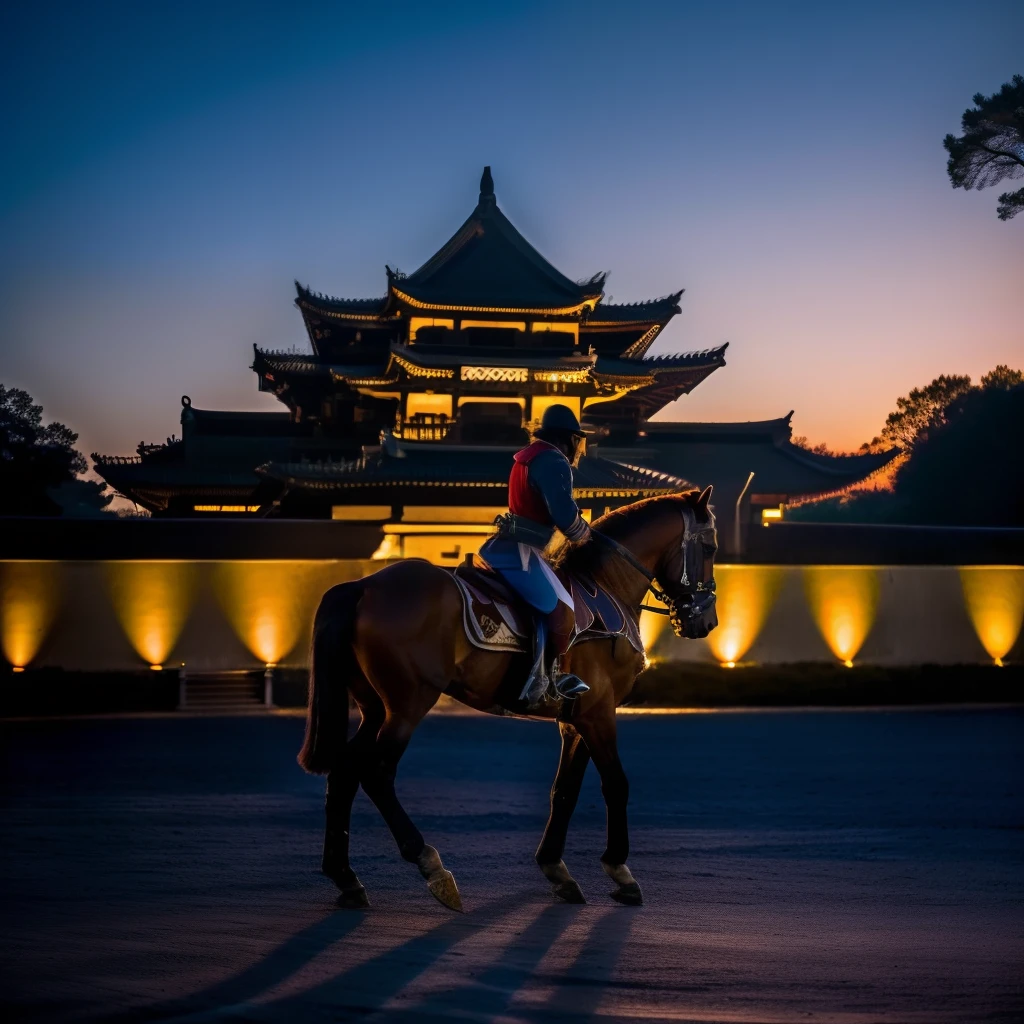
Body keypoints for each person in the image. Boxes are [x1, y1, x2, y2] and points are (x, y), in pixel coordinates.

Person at [479, 404, 592, 706]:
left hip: (505, 544)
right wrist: (586, 536)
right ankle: (544, 680)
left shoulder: (525, 458)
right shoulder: (553, 460)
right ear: (568, 438)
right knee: (560, 607)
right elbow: (564, 515)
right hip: (524, 551)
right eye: (575, 441)